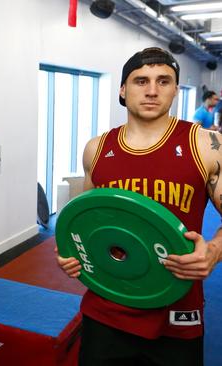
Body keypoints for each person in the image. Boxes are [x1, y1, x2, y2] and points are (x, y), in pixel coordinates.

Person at [56, 47, 222, 365]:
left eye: (163, 81)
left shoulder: (205, 145)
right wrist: (71, 255)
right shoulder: (97, 148)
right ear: (123, 89)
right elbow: (86, 222)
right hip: (105, 311)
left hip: (177, 315)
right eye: (140, 80)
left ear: (175, 89)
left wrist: (213, 251)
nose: (151, 90)